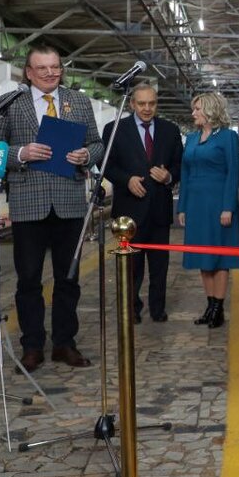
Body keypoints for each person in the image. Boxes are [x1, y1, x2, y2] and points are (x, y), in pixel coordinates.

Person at [0, 43, 103, 373]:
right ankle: (32, 345)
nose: (51, 73)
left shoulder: (77, 101)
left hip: (69, 203)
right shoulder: (10, 103)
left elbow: (96, 142)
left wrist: (86, 156)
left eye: (56, 67)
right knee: (29, 281)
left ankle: (65, 344)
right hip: (28, 203)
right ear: (29, 72)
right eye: (43, 68)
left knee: (69, 279)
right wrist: (21, 153)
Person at [102, 84, 182, 323]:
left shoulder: (170, 130)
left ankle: (158, 309)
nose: (147, 108)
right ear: (132, 104)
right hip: (129, 211)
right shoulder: (115, 129)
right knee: (131, 265)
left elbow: (179, 165)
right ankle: (131, 308)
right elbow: (105, 165)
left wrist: (169, 177)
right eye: (142, 103)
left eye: (152, 103)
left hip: (159, 209)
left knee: (159, 266)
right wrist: (126, 180)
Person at [178, 91, 239, 329]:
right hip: (195, 204)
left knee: (219, 257)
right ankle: (209, 306)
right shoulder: (192, 138)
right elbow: (184, 174)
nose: (193, 113)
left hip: (218, 204)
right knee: (201, 256)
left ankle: (217, 308)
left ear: (210, 110)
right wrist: (182, 206)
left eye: (197, 109)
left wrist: (228, 207)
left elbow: (233, 174)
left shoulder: (228, 137)